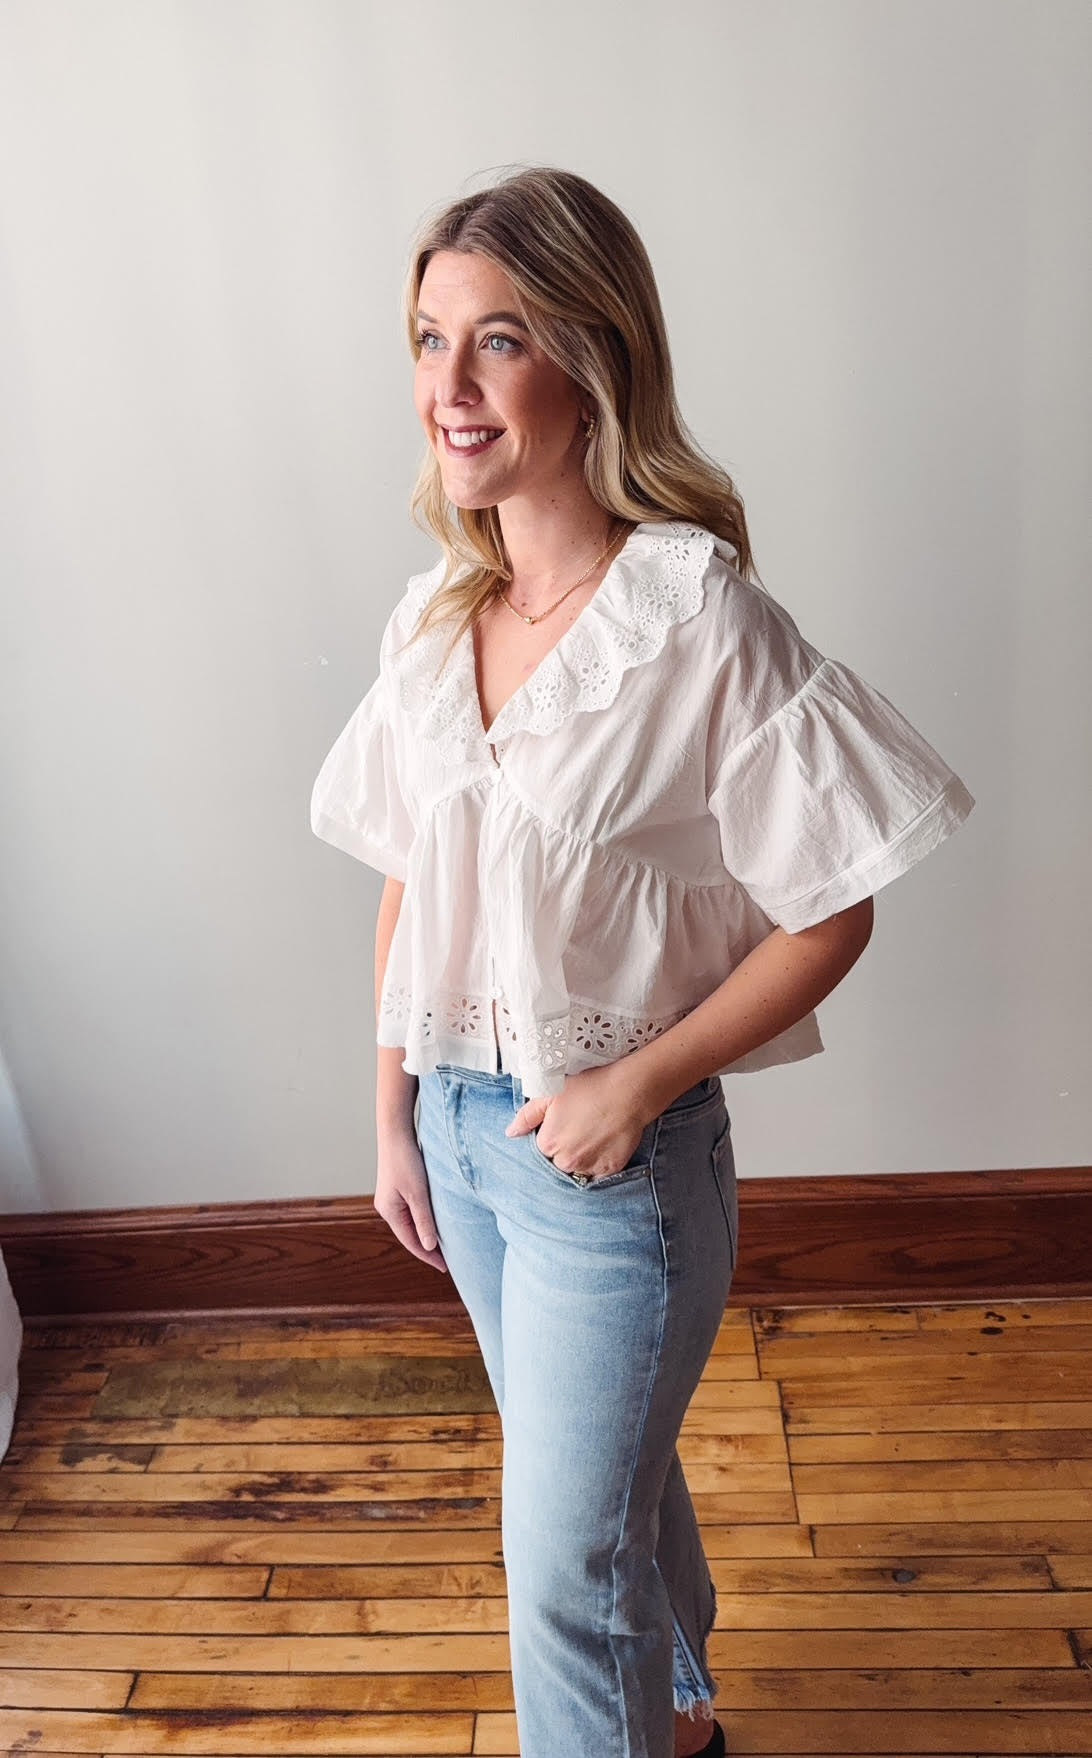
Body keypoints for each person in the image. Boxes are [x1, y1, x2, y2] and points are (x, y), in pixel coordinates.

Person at [310, 165, 974, 1758]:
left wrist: (639, 1080)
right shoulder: (431, 621)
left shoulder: (692, 614)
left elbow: (837, 906)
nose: (447, 388)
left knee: (561, 1555)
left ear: (591, 359)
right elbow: (416, 873)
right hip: (467, 1145)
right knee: (598, 1487)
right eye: (427, 338)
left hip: (615, 1164)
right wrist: (394, 1115)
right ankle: (676, 1717)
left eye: (499, 340)